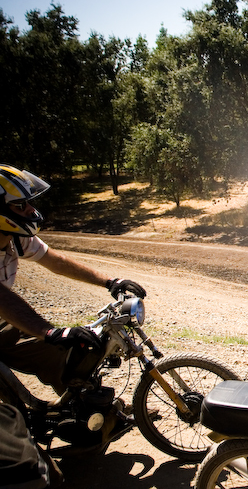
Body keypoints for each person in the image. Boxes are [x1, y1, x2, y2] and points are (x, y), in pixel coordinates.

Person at [0, 164, 147, 396]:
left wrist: (110, 281)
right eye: (20, 205)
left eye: (28, 202)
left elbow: (56, 261)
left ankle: (80, 407)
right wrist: (49, 332)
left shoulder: (15, 238)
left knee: (67, 350)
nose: (30, 209)